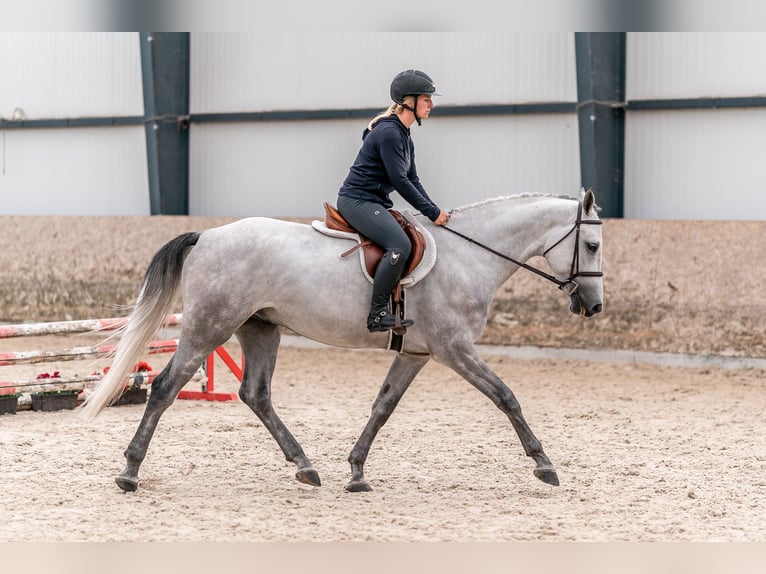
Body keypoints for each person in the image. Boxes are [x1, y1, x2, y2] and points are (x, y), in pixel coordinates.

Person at [337, 69, 451, 333]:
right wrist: (432, 212)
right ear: (408, 101)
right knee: (399, 244)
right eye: (426, 99)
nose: (431, 105)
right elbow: (400, 182)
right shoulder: (389, 133)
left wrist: (434, 211)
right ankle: (377, 314)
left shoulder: (404, 135)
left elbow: (414, 179)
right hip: (357, 201)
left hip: (374, 202)